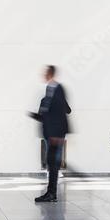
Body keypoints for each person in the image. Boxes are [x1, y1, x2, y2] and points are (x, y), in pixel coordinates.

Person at [32, 65, 71, 203]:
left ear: (50, 74)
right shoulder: (49, 92)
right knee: (51, 163)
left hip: (55, 134)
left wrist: (56, 133)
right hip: (51, 134)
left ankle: (51, 194)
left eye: (45, 73)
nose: (43, 75)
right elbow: (66, 109)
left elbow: (63, 111)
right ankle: (51, 192)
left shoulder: (56, 88)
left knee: (53, 164)